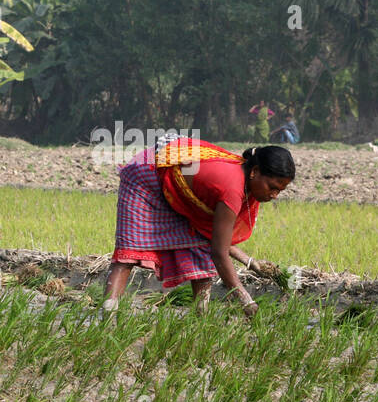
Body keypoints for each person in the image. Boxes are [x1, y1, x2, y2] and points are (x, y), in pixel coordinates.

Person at [104, 136, 295, 317]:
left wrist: (251, 262)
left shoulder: (245, 182)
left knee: (200, 252)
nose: (275, 195)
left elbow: (213, 235)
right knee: (129, 253)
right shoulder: (232, 190)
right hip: (146, 174)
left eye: (280, 190)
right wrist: (246, 301)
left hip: (177, 183)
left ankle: (200, 320)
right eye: (272, 187)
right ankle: (107, 316)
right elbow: (219, 252)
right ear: (254, 172)